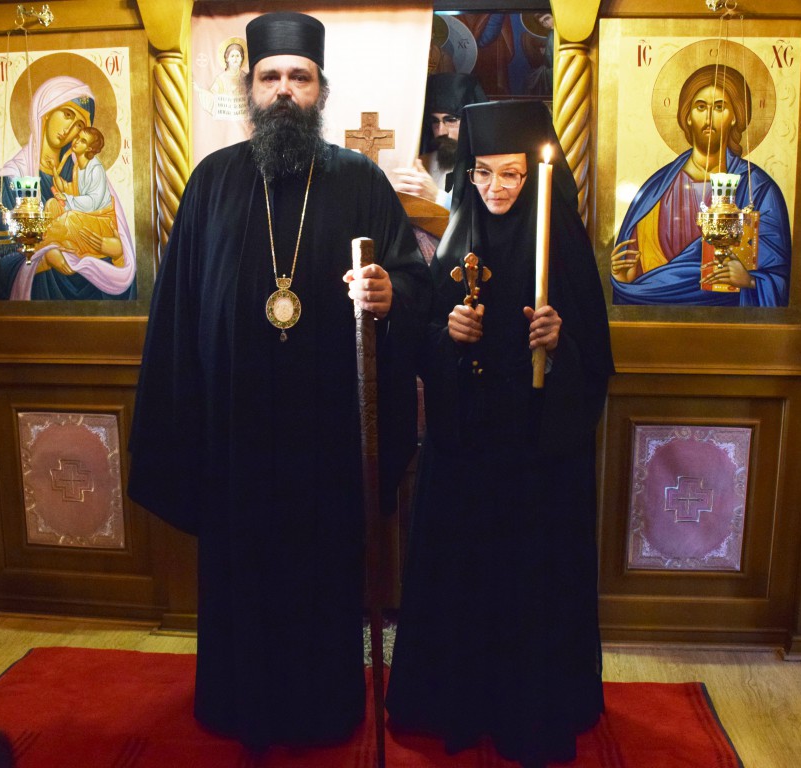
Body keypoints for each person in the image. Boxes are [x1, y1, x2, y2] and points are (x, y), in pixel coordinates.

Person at [127, 11, 431, 754]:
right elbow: (179, 310)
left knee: (321, 572)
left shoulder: (359, 180)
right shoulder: (212, 182)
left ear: (320, 88)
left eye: (300, 76)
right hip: (234, 432)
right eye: (271, 77)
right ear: (250, 87)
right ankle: (235, 702)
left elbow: (413, 282)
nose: (285, 90)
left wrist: (390, 294)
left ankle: (324, 707)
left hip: (327, 435)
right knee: (241, 571)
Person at [386, 99, 614, 768]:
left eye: (511, 174)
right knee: (463, 578)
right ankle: (454, 703)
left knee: (531, 584)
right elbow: (422, 343)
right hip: (466, 452)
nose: (495, 188)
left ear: (536, 175)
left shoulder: (564, 247)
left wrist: (560, 343)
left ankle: (530, 710)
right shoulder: (458, 238)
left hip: (538, 457)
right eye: (482, 173)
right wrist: (447, 336)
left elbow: (596, 364)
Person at [611, 64, 791, 306]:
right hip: (658, 321)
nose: (708, 118)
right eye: (700, 107)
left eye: (719, 107)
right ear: (687, 115)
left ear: (735, 116)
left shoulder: (758, 189)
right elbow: (636, 274)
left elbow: (780, 278)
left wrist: (750, 282)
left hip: (733, 324)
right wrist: (625, 280)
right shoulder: (656, 191)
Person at [0, 75, 137, 301]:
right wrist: (44, 259)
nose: (69, 129)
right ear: (47, 111)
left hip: (95, 292)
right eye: (67, 114)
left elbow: (111, 229)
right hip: (42, 292)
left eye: (79, 125)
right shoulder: (12, 177)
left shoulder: (85, 171)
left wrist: (117, 252)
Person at [392, 72, 486, 208]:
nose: (441, 131)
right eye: (435, 121)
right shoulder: (423, 163)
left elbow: (482, 217)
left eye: (451, 120)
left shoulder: (490, 167)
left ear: (472, 122)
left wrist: (436, 196)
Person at [39, 127, 121, 274]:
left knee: (69, 218)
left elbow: (93, 202)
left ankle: (45, 246)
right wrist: (55, 172)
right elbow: (72, 190)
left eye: (82, 141)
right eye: (77, 137)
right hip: (85, 215)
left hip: (99, 220)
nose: (76, 141)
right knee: (52, 204)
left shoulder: (95, 168)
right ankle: (60, 244)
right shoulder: (78, 166)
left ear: (89, 148)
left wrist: (67, 198)